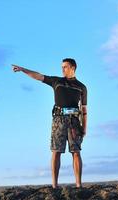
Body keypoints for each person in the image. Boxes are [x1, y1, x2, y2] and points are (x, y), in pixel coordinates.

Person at [12, 58, 87, 189]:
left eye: (65, 67)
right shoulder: (56, 81)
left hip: (74, 121)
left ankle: (78, 185)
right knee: (56, 151)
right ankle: (54, 185)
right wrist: (23, 70)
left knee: (76, 151)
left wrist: (84, 128)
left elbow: (84, 109)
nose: (62, 69)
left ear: (73, 68)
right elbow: (39, 76)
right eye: (62, 67)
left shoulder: (81, 87)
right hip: (58, 120)